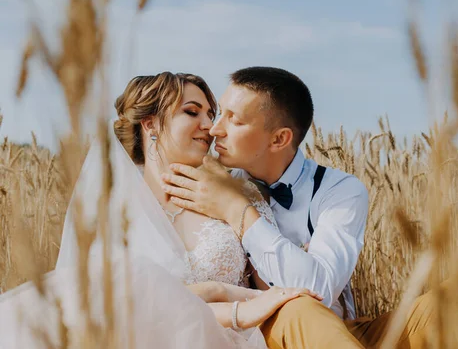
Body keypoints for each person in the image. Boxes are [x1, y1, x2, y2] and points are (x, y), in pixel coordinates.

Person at [0, 72, 321, 349]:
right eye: (192, 112)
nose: (210, 126)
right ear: (150, 123)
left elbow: (276, 292)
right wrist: (217, 292)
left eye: (212, 114)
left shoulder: (238, 192)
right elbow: (107, 307)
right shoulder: (111, 206)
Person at [161, 67, 451, 348]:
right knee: (299, 311)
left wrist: (237, 211)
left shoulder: (339, 190)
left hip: (340, 332)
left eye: (233, 120)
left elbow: (320, 292)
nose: (214, 129)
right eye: (220, 113)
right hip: (263, 333)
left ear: (279, 139)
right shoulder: (210, 185)